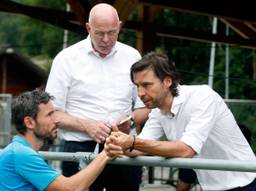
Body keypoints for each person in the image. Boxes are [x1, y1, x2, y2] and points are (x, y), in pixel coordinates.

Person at [105, 51, 256, 191]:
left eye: (146, 85)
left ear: (167, 81)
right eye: (137, 86)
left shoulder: (203, 96)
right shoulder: (158, 111)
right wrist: (118, 144)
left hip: (247, 183)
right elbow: (140, 146)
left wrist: (132, 142)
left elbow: (186, 150)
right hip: (211, 187)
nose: (140, 93)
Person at [45, 3, 149, 191]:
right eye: (100, 33)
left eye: (112, 32)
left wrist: (131, 121)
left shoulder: (133, 56)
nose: (106, 39)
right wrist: (87, 126)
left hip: (123, 146)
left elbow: (145, 107)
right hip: (80, 147)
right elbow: (52, 114)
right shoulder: (66, 59)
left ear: (120, 26)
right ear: (88, 28)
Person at [0, 89, 112, 191]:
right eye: (49, 115)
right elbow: (71, 188)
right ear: (29, 122)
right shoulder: (21, 154)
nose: (56, 120)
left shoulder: (21, 151)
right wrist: (106, 153)